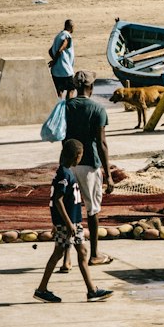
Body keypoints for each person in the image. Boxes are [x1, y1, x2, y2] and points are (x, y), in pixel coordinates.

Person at [33, 138, 113, 303]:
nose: (81, 159)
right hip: (68, 224)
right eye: (80, 156)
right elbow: (57, 200)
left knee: (82, 252)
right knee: (58, 253)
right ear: (76, 156)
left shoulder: (68, 172)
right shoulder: (64, 174)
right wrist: (66, 224)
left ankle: (92, 290)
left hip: (73, 222)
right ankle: (41, 289)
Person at [64, 71, 115, 267]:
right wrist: (108, 174)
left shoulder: (66, 107)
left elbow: (61, 134)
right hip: (89, 165)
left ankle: (67, 259)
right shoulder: (98, 109)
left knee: (69, 210)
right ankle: (94, 254)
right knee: (92, 210)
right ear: (91, 88)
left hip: (68, 165)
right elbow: (101, 143)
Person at [48, 19, 75, 98]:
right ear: (72, 27)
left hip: (56, 71)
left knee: (59, 92)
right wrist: (55, 60)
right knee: (71, 89)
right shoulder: (67, 35)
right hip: (65, 70)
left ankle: (60, 108)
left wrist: (54, 61)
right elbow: (61, 48)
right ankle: (68, 108)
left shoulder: (58, 36)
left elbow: (50, 51)